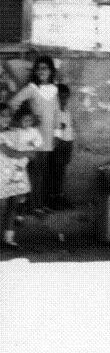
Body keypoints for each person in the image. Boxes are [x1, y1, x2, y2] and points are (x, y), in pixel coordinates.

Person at [7, 55, 58, 214]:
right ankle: (32, 207)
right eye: (39, 68)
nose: (42, 71)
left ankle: (39, 204)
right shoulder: (31, 88)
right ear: (35, 71)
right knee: (34, 173)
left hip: (49, 138)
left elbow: (56, 113)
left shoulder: (54, 89)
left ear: (50, 70)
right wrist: (26, 119)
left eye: (45, 68)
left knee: (43, 173)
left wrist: (56, 133)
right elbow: (13, 102)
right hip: (34, 138)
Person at [1, 103, 42, 249]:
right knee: (3, 206)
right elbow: (9, 152)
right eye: (3, 116)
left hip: (15, 171)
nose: (6, 119)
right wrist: (28, 153)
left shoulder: (13, 131)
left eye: (8, 116)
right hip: (2, 173)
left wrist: (29, 149)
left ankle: (8, 238)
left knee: (13, 204)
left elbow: (27, 143)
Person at [48, 83, 74, 210]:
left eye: (66, 97)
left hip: (67, 144)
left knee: (61, 172)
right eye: (61, 97)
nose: (64, 100)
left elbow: (68, 129)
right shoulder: (55, 112)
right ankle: (53, 199)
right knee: (55, 173)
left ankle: (59, 196)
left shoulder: (67, 112)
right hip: (58, 145)